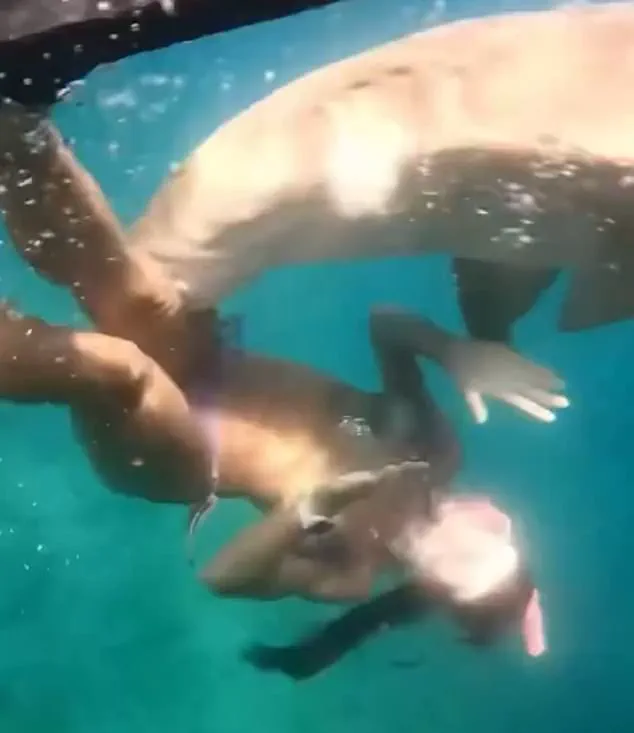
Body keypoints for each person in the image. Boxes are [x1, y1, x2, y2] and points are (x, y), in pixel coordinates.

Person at [0, 104, 558, 652]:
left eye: (463, 572)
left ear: (434, 590)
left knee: (119, 368)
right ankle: (20, 130)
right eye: (490, 543)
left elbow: (223, 576)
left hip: (188, 451)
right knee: (135, 292)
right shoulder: (433, 450)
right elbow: (385, 324)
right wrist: (456, 352)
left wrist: (310, 507)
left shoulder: (353, 568)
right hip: (212, 367)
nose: (469, 541)